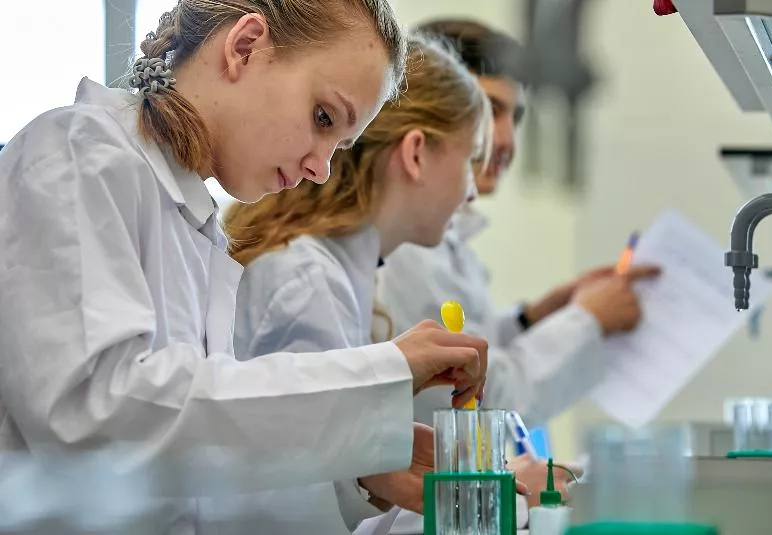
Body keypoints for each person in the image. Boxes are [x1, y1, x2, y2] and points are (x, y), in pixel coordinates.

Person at [0, 3, 490, 532]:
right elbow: (95, 421)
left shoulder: (192, 223)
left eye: (340, 145)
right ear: (245, 46)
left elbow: (185, 473)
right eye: (323, 117)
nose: (320, 169)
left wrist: (360, 453)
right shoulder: (77, 153)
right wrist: (375, 381)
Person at [223, 34, 567, 535]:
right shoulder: (307, 282)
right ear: (416, 153)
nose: (472, 192)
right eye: (469, 160)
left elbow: (310, 486)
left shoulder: (330, 273)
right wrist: (500, 497)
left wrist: (380, 475)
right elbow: (280, 513)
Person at [378, 19, 660, 435]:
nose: (507, 140)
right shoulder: (405, 247)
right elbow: (481, 400)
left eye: (517, 116)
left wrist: (533, 316)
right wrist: (589, 319)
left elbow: (473, 346)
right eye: (489, 110)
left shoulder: (441, 237)